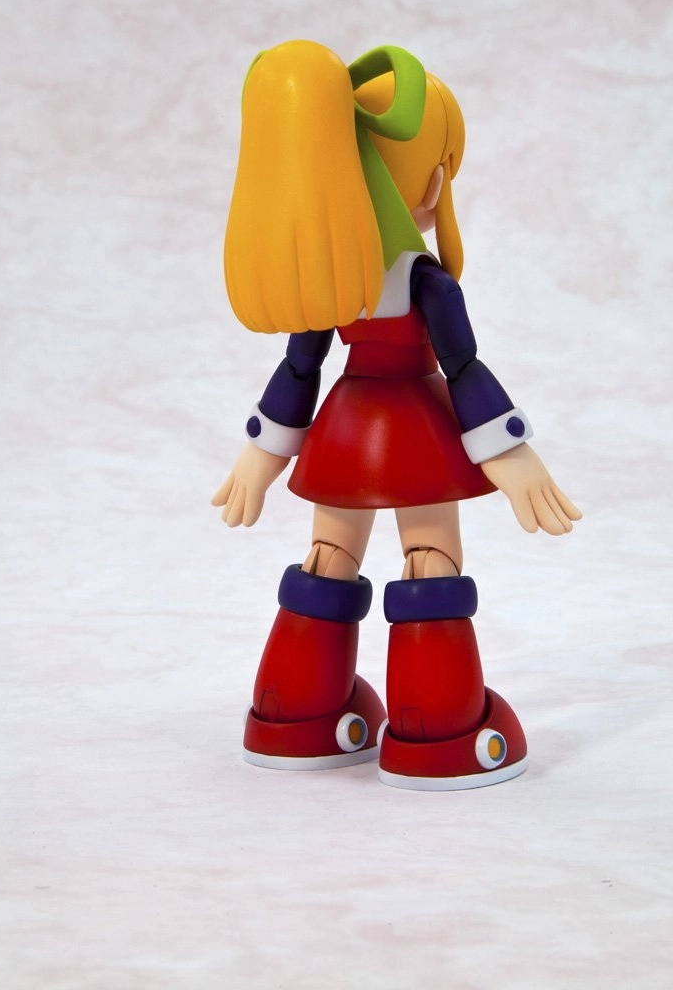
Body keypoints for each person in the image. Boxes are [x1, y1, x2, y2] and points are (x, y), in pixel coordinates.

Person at [212, 40, 581, 791]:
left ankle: (295, 714)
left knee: (328, 557)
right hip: (416, 428)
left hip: (346, 428)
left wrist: (262, 451)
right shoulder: (426, 281)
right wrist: (509, 451)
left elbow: (300, 369)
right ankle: (437, 728)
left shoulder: (332, 280)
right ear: (435, 181)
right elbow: (463, 367)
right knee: (429, 558)